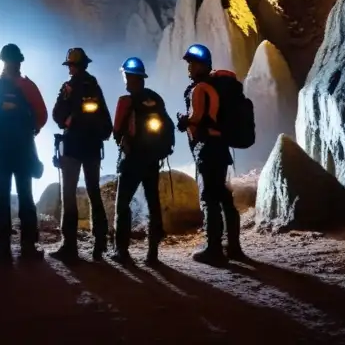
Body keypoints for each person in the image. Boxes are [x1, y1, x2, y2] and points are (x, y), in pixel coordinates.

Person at [0, 43, 48, 262]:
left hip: (1, 150)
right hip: (23, 150)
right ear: (18, 62)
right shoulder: (27, 87)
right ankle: (27, 247)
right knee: (25, 196)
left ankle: (4, 250)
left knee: (3, 196)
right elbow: (42, 114)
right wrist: (32, 129)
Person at [177, 43, 243, 265]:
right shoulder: (218, 86)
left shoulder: (200, 88)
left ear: (200, 65)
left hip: (206, 148)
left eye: (191, 64)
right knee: (223, 196)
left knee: (209, 198)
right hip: (220, 147)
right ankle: (233, 246)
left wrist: (184, 120)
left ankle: (213, 248)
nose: (189, 68)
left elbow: (197, 117)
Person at [51, 47, 113, 261]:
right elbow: (107, 123)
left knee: (68, 194)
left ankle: (69, 246)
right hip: (92, 148)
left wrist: (68, 120)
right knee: (93, 191)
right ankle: (100, 243)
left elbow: (57, 114)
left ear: (72, 66)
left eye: (70, 65)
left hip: (73, 147)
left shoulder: (68, 87)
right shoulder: (94, 86)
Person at [112, 57, 173, 265]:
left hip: (133, 160)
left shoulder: (126, 101)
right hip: (152, 160)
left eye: (125, 76)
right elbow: (168, 125)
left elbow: (117, 130)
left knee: (123, 204)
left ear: (130, 77)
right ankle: (152, 253)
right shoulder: (156, 99)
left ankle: (122, 251)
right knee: (153, 203)